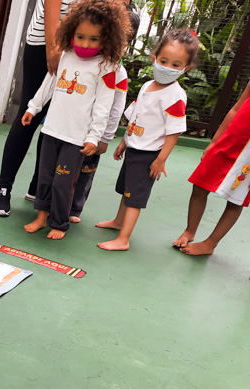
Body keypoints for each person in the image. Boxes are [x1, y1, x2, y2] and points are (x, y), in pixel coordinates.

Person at [21, 0, 130, 240]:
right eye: (80, 37)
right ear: (71, 32)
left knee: (63, 182)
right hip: (51, 130)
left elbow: (103, 107)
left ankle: (59, 224)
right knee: (44, 178)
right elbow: (49, 84)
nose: (85, 43)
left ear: (107, 39)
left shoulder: (107, 67)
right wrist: (33, 107)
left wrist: (95, 137)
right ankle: (41, 217)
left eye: (93, 39)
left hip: (76, 139)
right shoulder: (65, 55)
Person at [97, 29, 198, 250]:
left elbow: (174, 132)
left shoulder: (175, 95)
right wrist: (124, 142)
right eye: (163, 61)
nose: (167, 67)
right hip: (134, 148)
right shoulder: (146, 86)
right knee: (127, 190)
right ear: (154, 58)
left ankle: (124, 239)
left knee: (134, 197)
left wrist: (161, 159)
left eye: (176, 64)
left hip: (148, 155)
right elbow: (136, 117)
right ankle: (118, 222)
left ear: (186, 68)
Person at [0, 0, 78, 217]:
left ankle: (38, 187)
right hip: (45, 44)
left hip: (81, 46)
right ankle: (3, 189)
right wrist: (53, 49)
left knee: (56, 119)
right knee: (29, 114)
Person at [172, 79, 250, 255]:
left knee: (236, 199)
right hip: (229, 142)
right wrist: (215, 141)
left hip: (248, 158)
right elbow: (236, 109)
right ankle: (190, 231)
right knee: (200, 184)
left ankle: (210, 243)